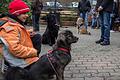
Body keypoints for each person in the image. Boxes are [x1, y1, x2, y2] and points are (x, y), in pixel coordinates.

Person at [0, 0, 42, 72]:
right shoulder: (9, 28)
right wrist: (34, 51)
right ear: (16, 14)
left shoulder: (13, 23)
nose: (27, 15)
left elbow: (15, 35)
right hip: (17, 63)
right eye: (24, 13)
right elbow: (15, 49)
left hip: (18, 58)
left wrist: (27, 33)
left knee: (37, 37)